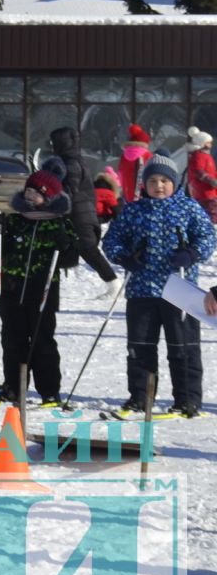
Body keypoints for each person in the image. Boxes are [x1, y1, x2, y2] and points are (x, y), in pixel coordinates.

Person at [102, 150, 215, 419]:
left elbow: (208, 237)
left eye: (165, 181)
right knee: (140, 346)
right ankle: (140, 397)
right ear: (145, 184)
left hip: (180, 290)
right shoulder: (133, 210)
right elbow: (112, 240)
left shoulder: (188, 208)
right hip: (142, 289)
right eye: (153, 181)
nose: (159, 186)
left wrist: (193, 253)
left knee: (182, 347)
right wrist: (124, 257)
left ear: (174, 183)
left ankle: (187, 401)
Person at [0, 168, 80, 409]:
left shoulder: (59, 224)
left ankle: (49, 391)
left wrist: (66, 246)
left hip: (42, 291)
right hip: (12, 289)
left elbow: (71, 259)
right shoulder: (16, 221)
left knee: (42, 341)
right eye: (28, 191)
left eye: (36, 193)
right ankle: (12, 388)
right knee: (12, 340)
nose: (30, 196)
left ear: (49, 198)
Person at [46, 126, 120, 283]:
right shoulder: (76, 160)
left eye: (53, 143)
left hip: (79, 215)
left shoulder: (70, 162)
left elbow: (69, 189)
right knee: (79, 249)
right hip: (82, 213)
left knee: (89, 250)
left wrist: (51, 191)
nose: (51, 146)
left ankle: (113, 283)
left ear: (61, 143)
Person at [186, 128, 217, 224]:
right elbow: (198, 171)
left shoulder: (206, 156)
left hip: (209, 191)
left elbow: (211, 171)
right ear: (203, 143)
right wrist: (210, 180)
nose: (210, 144)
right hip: (204, 192)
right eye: (209, 142)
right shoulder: (199, 156)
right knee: (211, 211)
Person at [117, 125, 152, 204]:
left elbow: (120, 173)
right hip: (143, 191)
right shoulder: (147, 155)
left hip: (127, 190)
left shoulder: (124, 156)